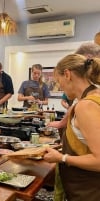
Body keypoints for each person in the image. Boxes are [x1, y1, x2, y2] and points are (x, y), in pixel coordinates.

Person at [43, 54, 100, 201]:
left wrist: (62, 157)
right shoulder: (95, 95)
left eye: (58, 81)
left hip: (90, 190)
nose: (60, 86)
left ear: (67, 74)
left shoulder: (86, 106)